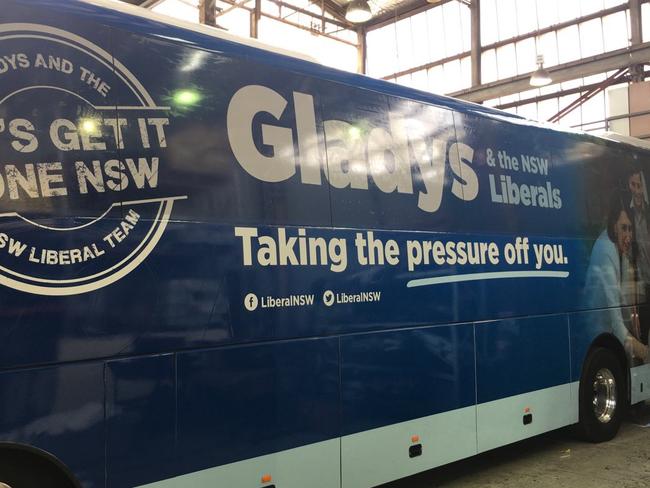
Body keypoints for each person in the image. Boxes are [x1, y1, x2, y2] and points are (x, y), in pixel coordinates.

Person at [584, 194, 648, 363]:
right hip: (596, 336)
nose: (628, 235)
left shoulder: (619, 248)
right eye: (624, 228)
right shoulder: (606, 252)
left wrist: (637, 336)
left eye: (630, 229)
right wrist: (646, 353)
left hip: (607, 338)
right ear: (614, 227)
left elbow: (625, 306)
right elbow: (617, 325)